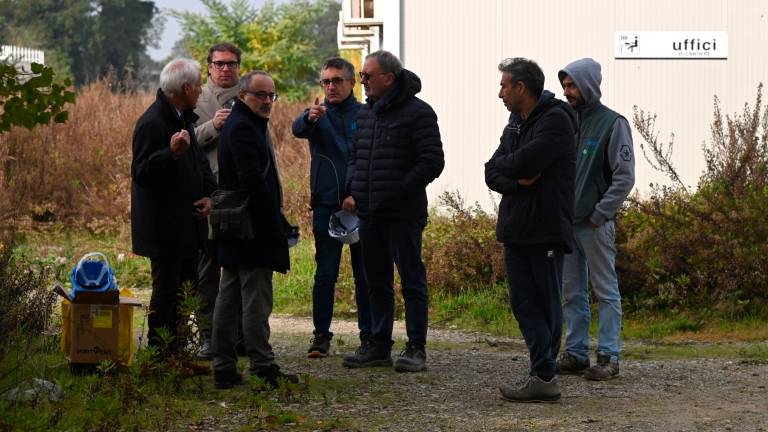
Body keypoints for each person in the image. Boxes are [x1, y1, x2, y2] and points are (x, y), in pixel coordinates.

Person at [341, 50, 444, 373]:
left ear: (389, 78)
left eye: (368, 76)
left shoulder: (419, 113)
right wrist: (353, 189)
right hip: (370, 214)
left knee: (412, 281)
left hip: (403, 214)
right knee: (376, 281)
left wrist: (399, 190)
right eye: (361, 76)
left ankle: (416, 348)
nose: (363, 82)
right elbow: (355, 155)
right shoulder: (368, 114)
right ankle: (378, 345)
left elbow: (432, 161)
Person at [484, 57, 576, 402]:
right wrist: (519, 184)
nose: (500, 93)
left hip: (545, 227)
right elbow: (491, 170)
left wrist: (509, 168)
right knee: (523, 301)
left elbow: (524, 162)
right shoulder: (515, 122)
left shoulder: (556, 120)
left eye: (504, 86)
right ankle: (543, 371)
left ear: (521, 87)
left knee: (544, 302)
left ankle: (544, 374)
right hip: (516, 227)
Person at [212, 70, 297, 389]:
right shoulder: (244, 128)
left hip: (235, 225)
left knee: (229, 297)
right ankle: (262, 366)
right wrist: (274, 221)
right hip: (251, 227)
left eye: (271, 95)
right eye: (260, 95)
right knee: (255, 300)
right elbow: (253, 180)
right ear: (242, 95)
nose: (266, 102)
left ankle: (223, 367)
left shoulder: (241, 123)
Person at [557, 58, 635, 381]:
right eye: (564, 85)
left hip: (594, 224)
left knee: (605, 290)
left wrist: (600, 214)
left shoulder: (612, 123)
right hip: (566, 224)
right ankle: (575, 353)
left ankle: (608, 356)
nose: (567, 91)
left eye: (572, 85)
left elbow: (624, 177)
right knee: (571, 292)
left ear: (588, 85)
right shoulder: (564, 121)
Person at [131, 58, 216, 352]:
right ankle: (159, 357)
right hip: (164, 230)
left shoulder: (183, 117)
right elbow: (141, 173)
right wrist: (170, 152)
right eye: (199, 86)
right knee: (166, 292)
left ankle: (177, 353)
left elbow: (200, 164)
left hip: (187, 225)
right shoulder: (153, 122)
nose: (202, 90)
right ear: (186, 87)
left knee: (185, 291)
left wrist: (209, 195)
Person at [291, 57, 371, 358]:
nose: (331, 86)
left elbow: (368, 159)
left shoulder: (365, 114)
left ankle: (369, 335)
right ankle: (321, 335)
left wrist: (357, 195)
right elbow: (297, 129)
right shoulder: (316, 113)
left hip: (360, 205)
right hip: (325, 204)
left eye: (337, 80)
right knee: (325, 275)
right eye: (326, 81)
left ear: (352, 83)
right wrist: (310, 117)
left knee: (364, 275)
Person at [193, 42, 242, 360]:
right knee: (207, 270)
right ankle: (207, 336)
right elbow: (181, 140)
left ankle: (239, 336)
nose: (225, 69)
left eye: (231, 63)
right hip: (207, 195)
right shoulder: (195, 98)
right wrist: (213, 126)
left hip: (240, 197)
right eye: (219, 63)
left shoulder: (252, 95)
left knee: (240, 268)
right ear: (209, 66)